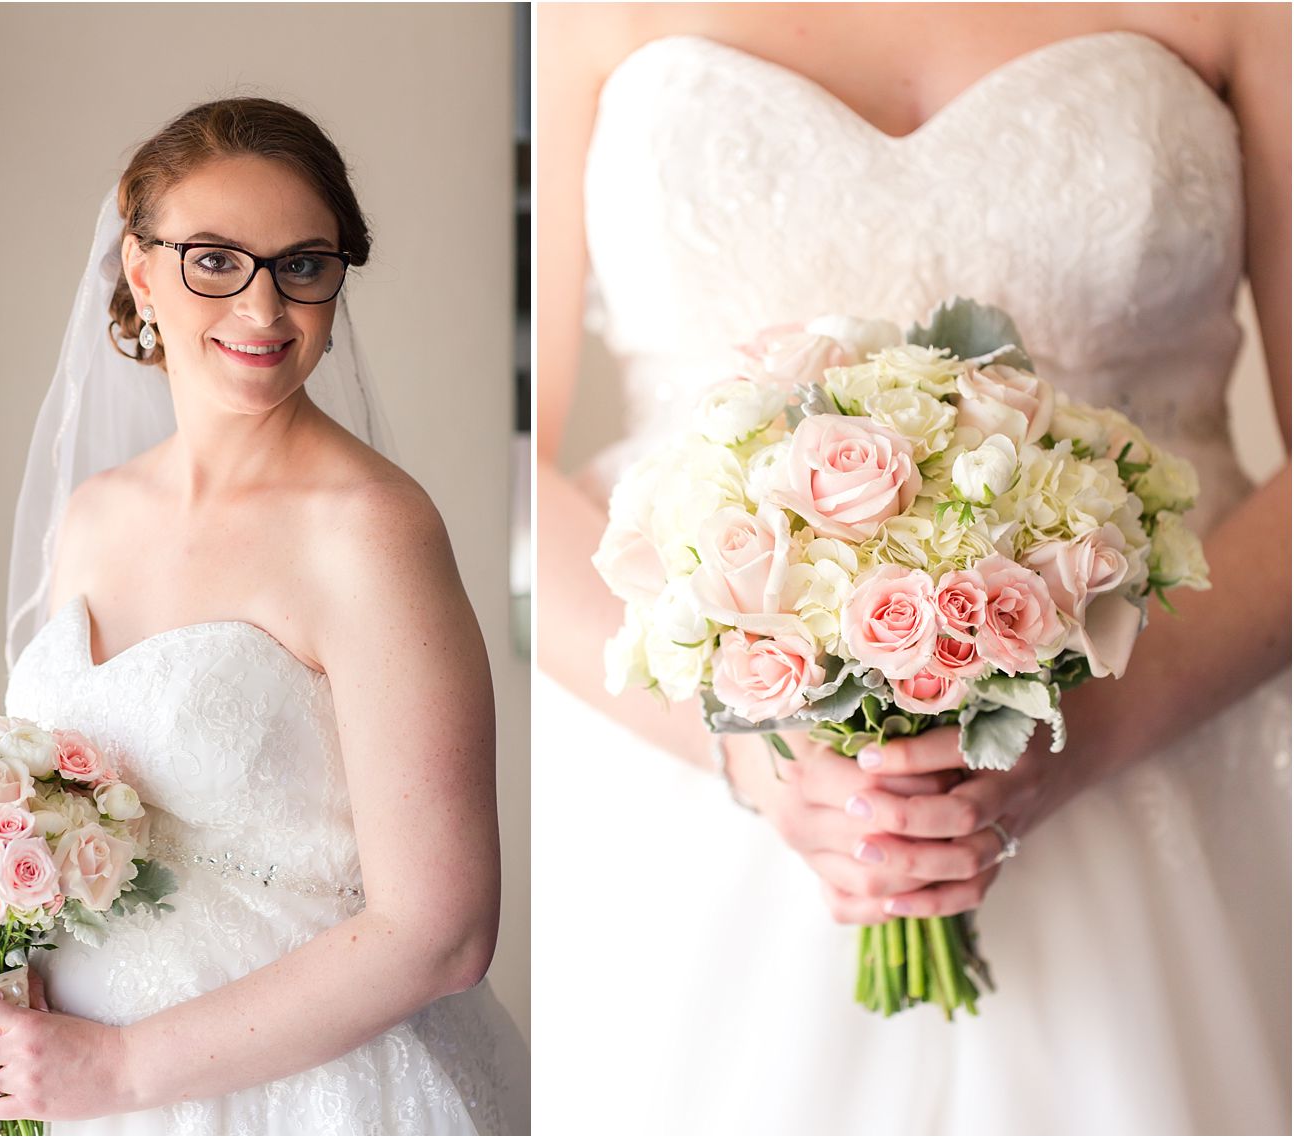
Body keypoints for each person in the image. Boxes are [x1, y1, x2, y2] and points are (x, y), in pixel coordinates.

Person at [536, 3, 1289, 1133]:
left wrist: (1096, 725)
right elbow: (495, 468)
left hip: (1171, 736)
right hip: (686, 775)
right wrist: (746, 756)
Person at [0, 97, 529, 1135]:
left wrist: (113, 1071)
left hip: (302, 1096)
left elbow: (441, 932)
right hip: (68, 1085)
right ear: (141, 268)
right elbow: (43, 811)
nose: (262, 310)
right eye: (214, 259)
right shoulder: (95, 513)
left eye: (303, 264)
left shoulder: (372, 530)